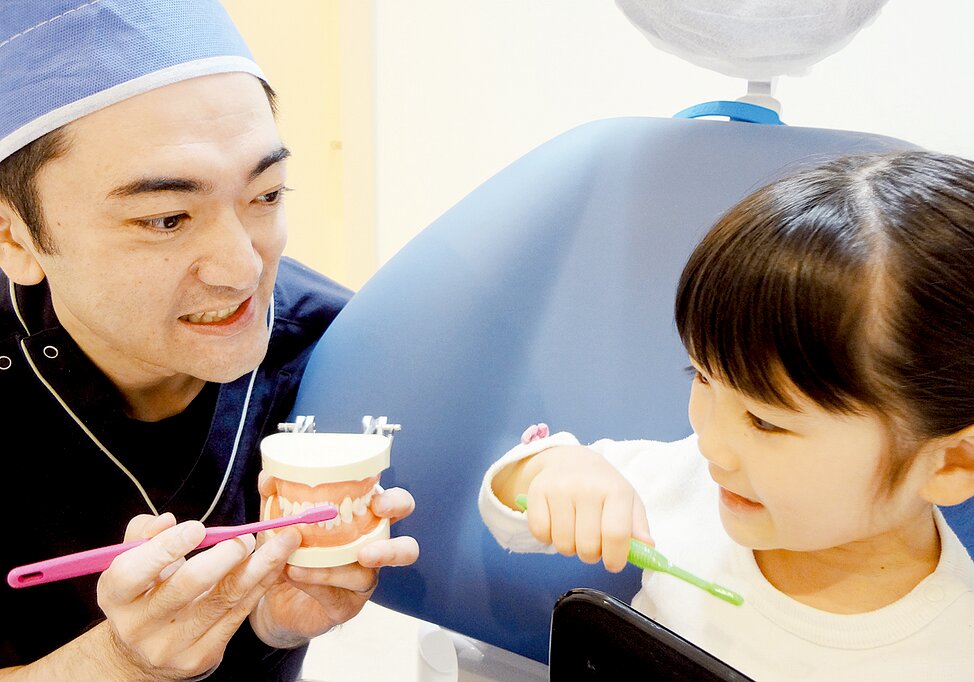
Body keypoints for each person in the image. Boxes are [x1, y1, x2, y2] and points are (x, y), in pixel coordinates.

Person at [0, 1, 418, 679]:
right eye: (167, 218)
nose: (244, 270)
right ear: (15, 237)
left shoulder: (336, 353)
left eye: (267, 194)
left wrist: (269, 623)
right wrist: (115, 664)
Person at [480, 150, 974, 680]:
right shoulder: (695, 483)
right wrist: (554, 469)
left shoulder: (951, 652)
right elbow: (513, 509)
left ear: (949, 464)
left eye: (765, 421)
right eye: (703, 377)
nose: (712, 443)